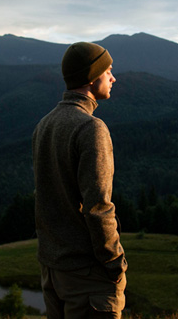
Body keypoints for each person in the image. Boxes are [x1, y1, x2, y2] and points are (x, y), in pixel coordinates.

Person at [32, 42, 127, 319]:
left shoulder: (44, 125)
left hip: (53, 272)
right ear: (91, 77)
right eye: (108, 71)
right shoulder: (90, 128)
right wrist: (114, 263)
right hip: (87, 278)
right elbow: (98, 206)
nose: (113, 77)